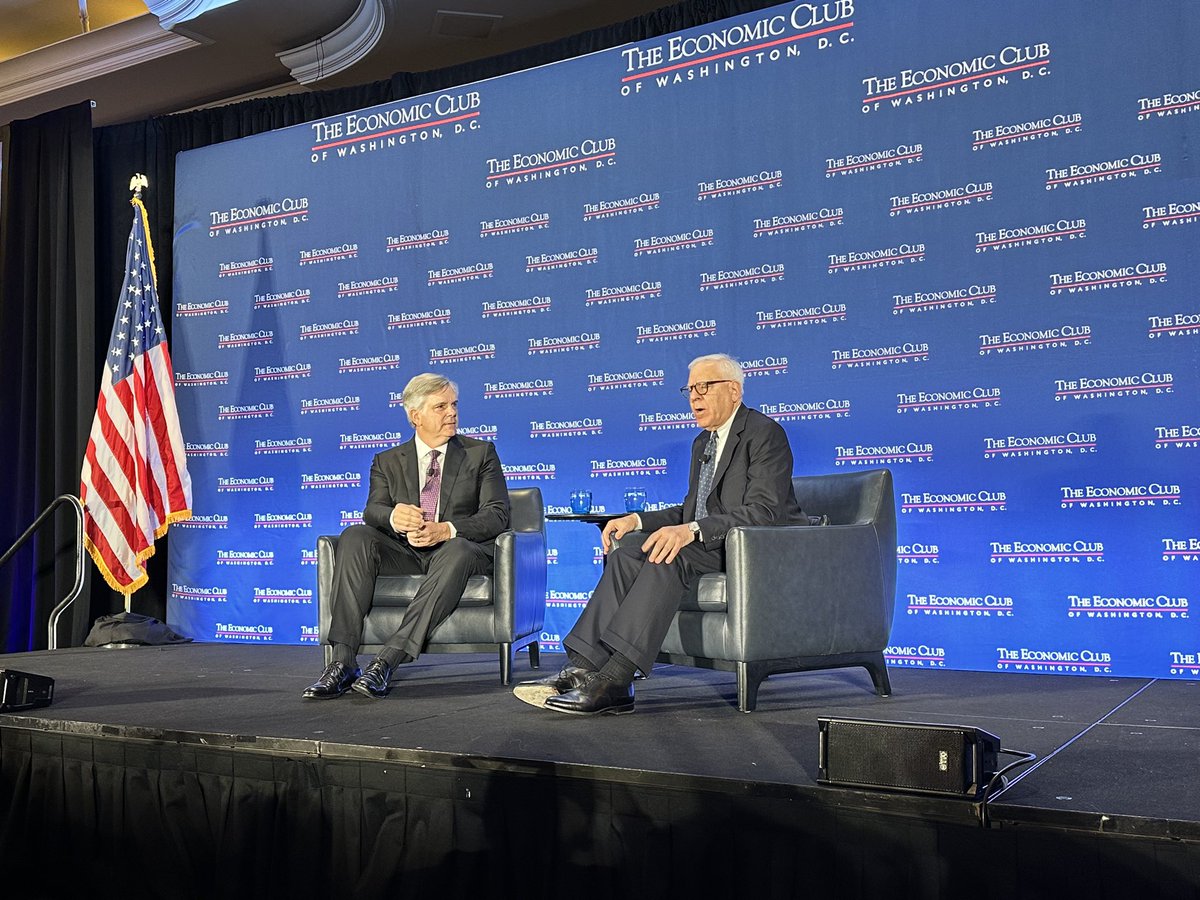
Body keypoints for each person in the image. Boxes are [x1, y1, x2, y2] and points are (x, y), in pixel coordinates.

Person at [514, 352, 807, 715]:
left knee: (669, 554)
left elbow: (763, 511)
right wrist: (635, 521)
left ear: (734, 391)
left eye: (704, 386)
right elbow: (691, 510)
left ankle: (617, 679)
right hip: (715, 543)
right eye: (690, 389)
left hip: (756, 548)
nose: (695, 397)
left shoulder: (764, 434)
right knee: (625, 556)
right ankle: (580, 669)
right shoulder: (704, 443)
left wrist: (691, 531)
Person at [303, 373, 510, 699]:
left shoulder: (479, 454)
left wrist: (447, 529)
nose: (452, 413)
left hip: (458, 551)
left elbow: (498, 513)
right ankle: (342, 662)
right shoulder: (387, 461)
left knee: (456, 550)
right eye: (441, 406)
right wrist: (393, 516)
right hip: (406, 550)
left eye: (454, 405)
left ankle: (387, 660)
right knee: (355, 535)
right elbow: (373, 511)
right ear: (416, 416)